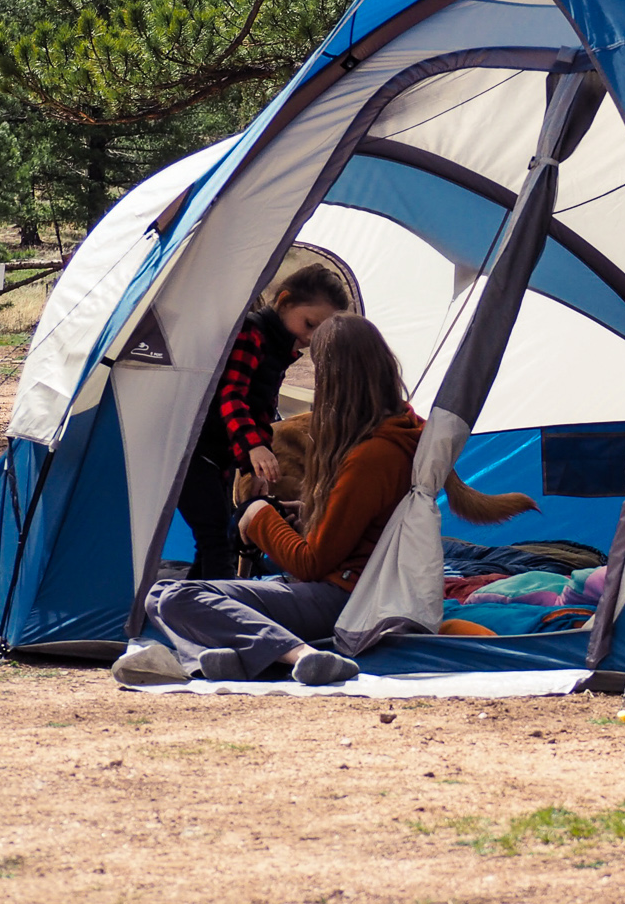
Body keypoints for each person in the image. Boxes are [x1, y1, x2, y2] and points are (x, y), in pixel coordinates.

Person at [129, 312, 415, 685]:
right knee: (165, 593)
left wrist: (259, 518)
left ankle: (301, 654)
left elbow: (311, 563)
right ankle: (226, 659)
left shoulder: (371, 456)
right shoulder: (402, 432)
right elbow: (365, 523)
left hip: (345, 596)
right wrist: (311, 514)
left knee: (176, 597)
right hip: (355, 586)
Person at [176, 264, 348, 579]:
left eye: (318, 334)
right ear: (284, 302)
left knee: (218, 539)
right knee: (216, 539)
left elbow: (262, 410)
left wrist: (250, 465)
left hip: (221, 458)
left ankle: (191, 605)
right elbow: (231, 397)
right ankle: (219, 614)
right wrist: (254, 448)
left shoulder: (280, 350)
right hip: (192, 453)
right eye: (309, 324)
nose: (309, 338)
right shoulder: (252, 334)